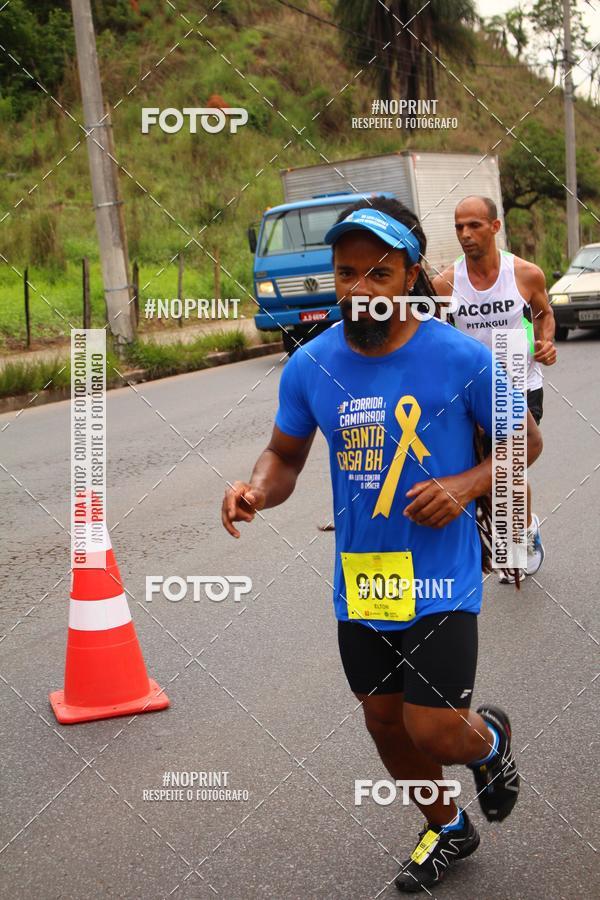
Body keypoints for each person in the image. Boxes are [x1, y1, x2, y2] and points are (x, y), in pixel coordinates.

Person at [221, 197, 543, 892]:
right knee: (384, 723)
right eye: (346, 274)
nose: (359, 290)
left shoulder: (459, 357)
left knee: (433, 730)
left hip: (439, 573)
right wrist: (254, 489)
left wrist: (465, 483)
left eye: (378, 274)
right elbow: (283, 456)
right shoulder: (310, 366)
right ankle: (447, 827)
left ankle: (487, 741)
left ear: (410, 278)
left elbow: (527, 444)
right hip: (364, 578)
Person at [433, 196, 556, 582]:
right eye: (459, 227)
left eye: (474, 225)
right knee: (492, 469)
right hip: (472, 394)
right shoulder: (446, 284)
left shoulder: (525, 274)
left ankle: (519, 538)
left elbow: (543, 312)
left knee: (507, 466)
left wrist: (545, 341)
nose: (465, 234)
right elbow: (435, 337)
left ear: (495, 226)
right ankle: (515, 530)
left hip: (521, 384)